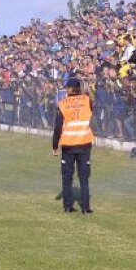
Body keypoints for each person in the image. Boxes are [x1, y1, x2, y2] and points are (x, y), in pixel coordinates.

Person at [52, 77, 94, 214]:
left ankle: (68, 206)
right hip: (84, 144)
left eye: (67, 88)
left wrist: (54, 146)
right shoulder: (87, 100)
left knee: (67, 177)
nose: (65, 90)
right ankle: (86, 208)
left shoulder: (63, 103)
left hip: (68, 145)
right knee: (84, 177)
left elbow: (58, 127)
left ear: (70, 89)